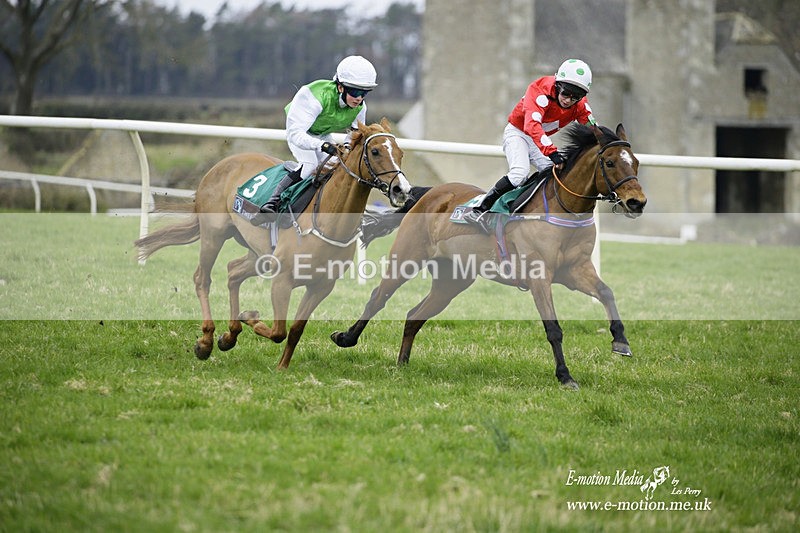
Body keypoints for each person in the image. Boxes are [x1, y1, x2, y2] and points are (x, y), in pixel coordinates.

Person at [464, 58, 597, 230]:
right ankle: (480, 209)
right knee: (519, 173)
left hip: (537, 139)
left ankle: (531, 211)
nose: (569, 100)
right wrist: (552, 152)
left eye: (576, 96)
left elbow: (594, 128)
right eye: (566, 93)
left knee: (557, 173)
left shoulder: (580, 105)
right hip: (518, 132)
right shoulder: (539, 90)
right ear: (557, 85)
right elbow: (531, 125)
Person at [252, 55, 378, 224]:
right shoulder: (315, 96)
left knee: (338, 168)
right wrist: (322, 145)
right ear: (340, 87)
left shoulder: (360, 107)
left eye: (364, 93)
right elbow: (297, 134)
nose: (359, 98)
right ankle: (272, 203)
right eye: (355, 92)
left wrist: (346, 147)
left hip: (321, 133)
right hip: (299, 131)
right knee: (309, 166)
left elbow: (354, 133)